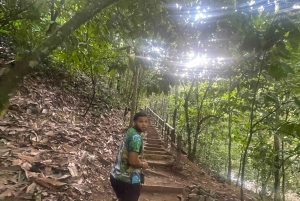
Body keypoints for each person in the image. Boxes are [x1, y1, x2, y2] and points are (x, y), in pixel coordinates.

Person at [110, 112, 150, 201]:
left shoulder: (130, 131)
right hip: (128, 180)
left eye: (146, 121)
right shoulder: (136, 137)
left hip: (116, 176)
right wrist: (143, 165)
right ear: (134, 122)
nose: (144, 124)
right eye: (140, 121)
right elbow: (133, 162)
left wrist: (140, 159)